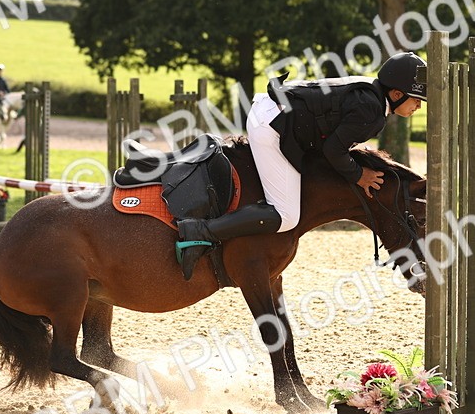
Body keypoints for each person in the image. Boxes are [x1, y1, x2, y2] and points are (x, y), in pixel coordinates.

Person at [175, 52, 427, 280]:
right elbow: (333, 150)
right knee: (286, 215)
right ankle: (201, 230)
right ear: (396, 94)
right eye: (417, 100)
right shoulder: (372, 112)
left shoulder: (370, 95)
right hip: (272, 126)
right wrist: (359, 174)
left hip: (274, 113)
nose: (418, 106)